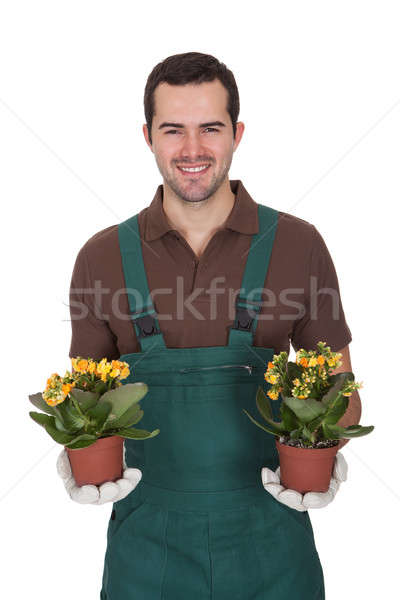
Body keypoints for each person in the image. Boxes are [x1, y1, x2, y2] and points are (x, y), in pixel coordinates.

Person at [59, 52, 361, 599]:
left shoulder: (298, 245)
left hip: (272, 542)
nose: (193, 150)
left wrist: (324, 448)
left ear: (237, 133)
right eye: (173, 130)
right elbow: (87, 399)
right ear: (148, 135)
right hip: (146, 550)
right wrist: (79, 457)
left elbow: (342, 388)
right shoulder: (101, 258)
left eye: (210, 128)